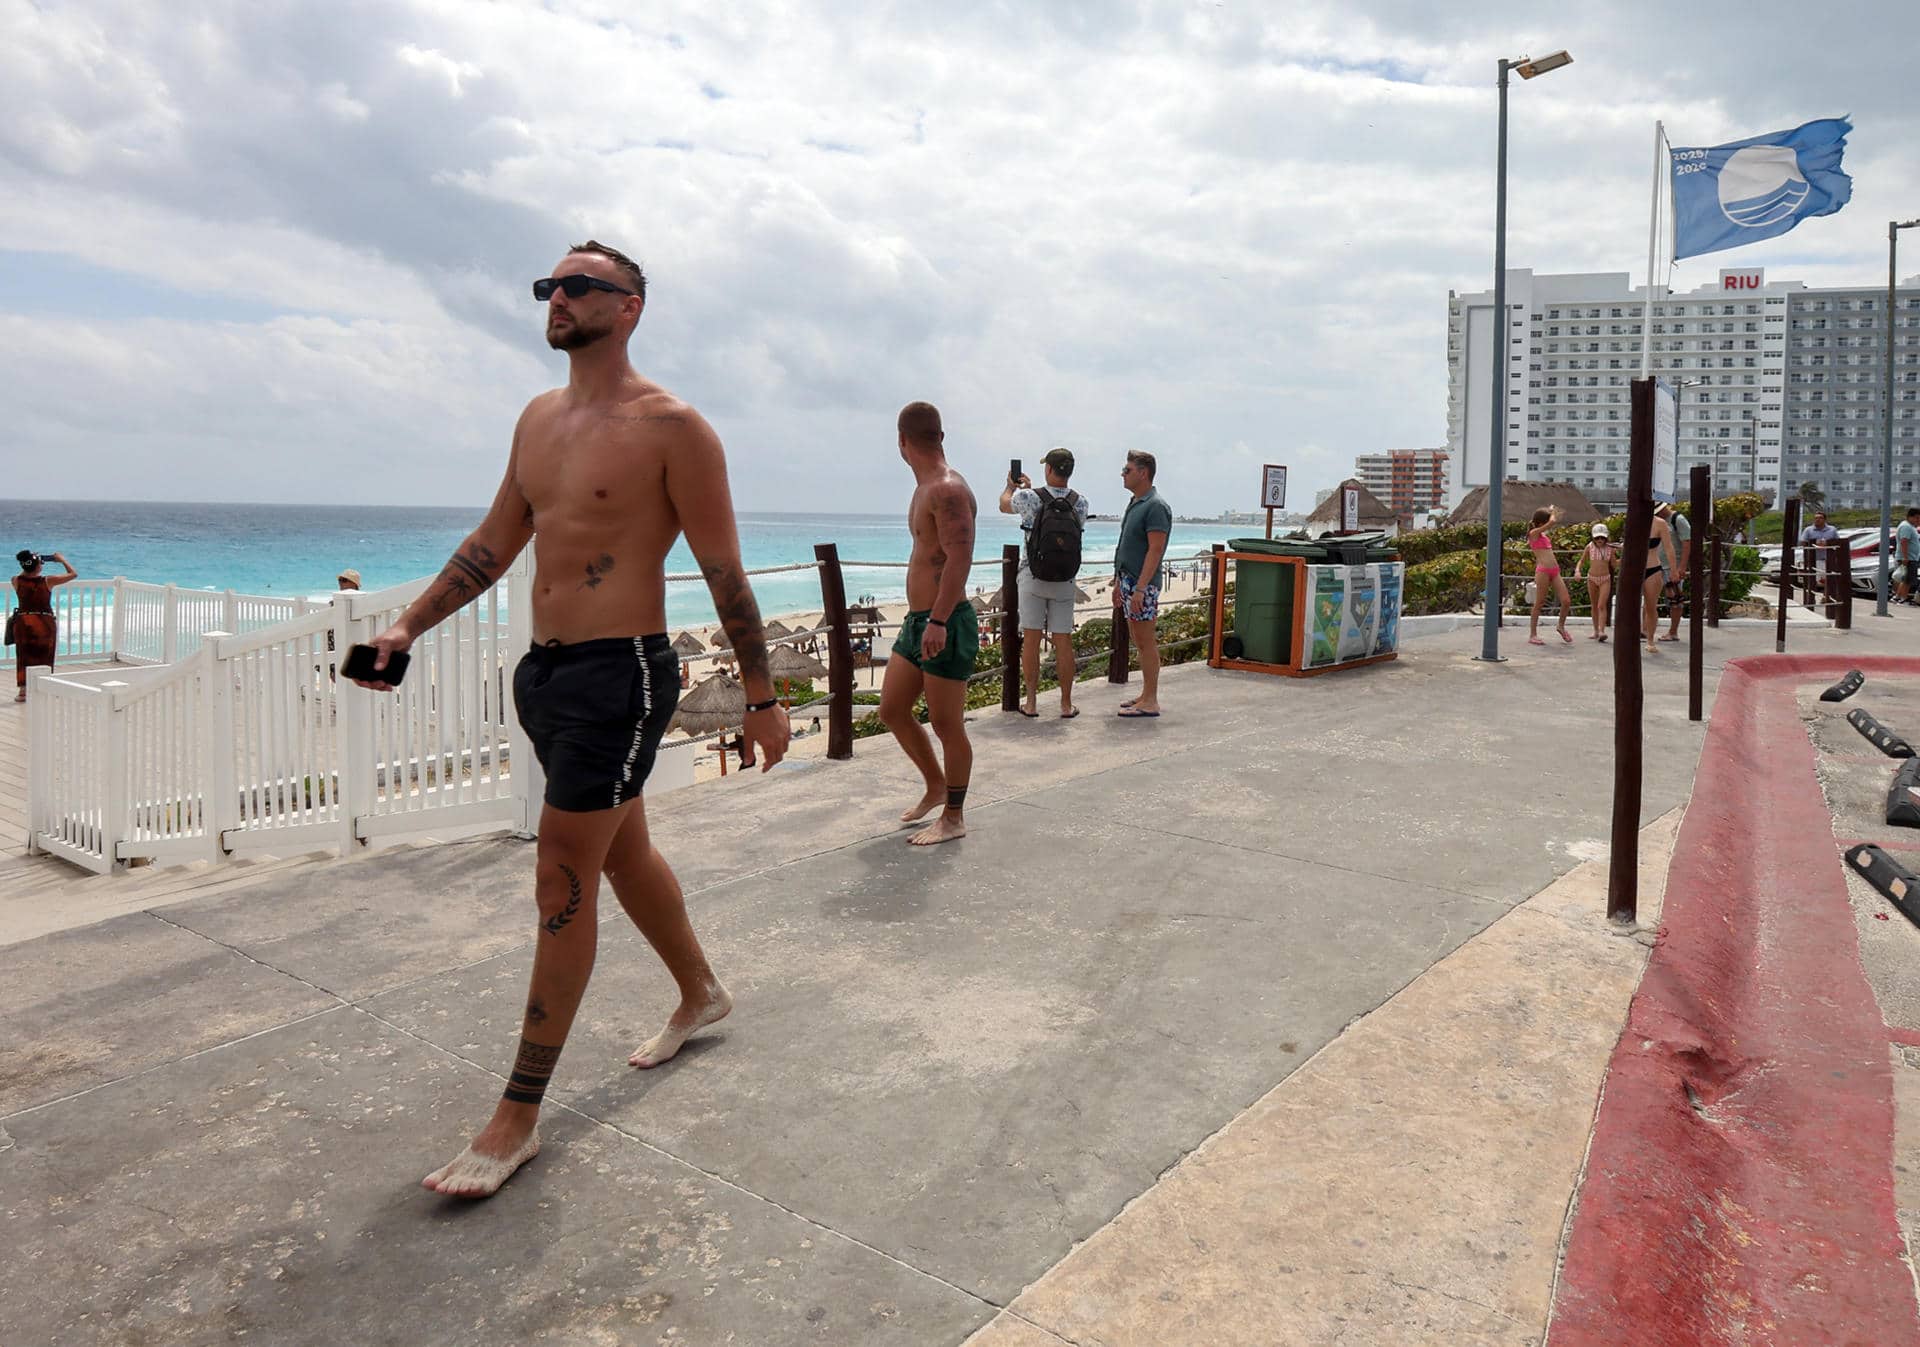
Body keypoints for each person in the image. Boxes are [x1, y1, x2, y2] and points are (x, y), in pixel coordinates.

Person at [352, 240, 789, 1199]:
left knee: (561, 870)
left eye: (582, 284)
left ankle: (516, 1115)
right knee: (620, 853)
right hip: (546, 676)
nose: (559, 297)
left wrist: (761, 698)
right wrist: (407, 624)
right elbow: (493, 542)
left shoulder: (675, 428)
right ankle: (702, 992)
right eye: (550, 284)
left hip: (622, 675)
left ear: (631, 306)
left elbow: (724, 574)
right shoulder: (537, 420)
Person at [879, 401, 977, 846]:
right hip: (919, 621)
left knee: (946, 724)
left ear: (902, 442)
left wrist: (937, 620)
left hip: (945, 620)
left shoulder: (947, 490)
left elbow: (959, 559)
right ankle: (935, 786)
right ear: (940, 436)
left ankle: (953, 817)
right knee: (893, 709)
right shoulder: (925, 489)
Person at [998, 446, 1088, 719]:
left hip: (1033, 576)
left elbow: (1004, 505)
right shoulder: (1081, 502)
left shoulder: (1028, 497)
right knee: (1063, 641)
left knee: (1032, 641)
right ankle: (1065, 704)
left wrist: (1010, 487)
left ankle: (1033, 703)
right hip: (1065, 578)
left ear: (1049, 469)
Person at [1115, 450, 1171, 718]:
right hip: (1128, 581)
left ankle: (1151, 700)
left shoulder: (1155, 506)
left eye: (1127, 470)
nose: (1123, 474)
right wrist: (1118, 582)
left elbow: (1155, 550)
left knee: (1146, 641)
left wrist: (1140, 588)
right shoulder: (1136, 502)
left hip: (1142, 584)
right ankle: (1145, 693)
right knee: (1139, 639)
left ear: (1143, 472)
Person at [10, 550, 77, 701]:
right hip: (43, 622)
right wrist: (62, 560)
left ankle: (23, 691)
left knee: (23, 655)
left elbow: (25, 573)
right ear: (38, 566)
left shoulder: (16, 580)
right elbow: (73, 574)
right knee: (45, 655)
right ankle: (45, 688)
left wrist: (31, 561)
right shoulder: (48, 581)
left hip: (23, 622)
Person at [1525, 507, 1572, 646]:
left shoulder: (1543, 536)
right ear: (1540, 524)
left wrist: (1550, 511)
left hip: (1554, 571)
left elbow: (1551, 522)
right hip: (1543, 572)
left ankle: (1561, 626)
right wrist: (1551, 513)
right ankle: (1533, 634)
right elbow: (1552, 522)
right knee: (1539, 603)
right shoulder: (1533, 533)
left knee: (1566, 601)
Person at [1641, 508, 1678, 656]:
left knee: (1651, 605)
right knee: (1628, 606)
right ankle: (1631, 637)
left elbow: (1669, 548)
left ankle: (1650, 640)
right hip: (1633, 568)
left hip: (1653, 567)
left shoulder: (1660, 523)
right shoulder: (1632, 521)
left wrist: (1674, 570)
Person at [1573, 523, 1616, 642]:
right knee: (1594, 605)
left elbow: (1614, 564)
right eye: (1597, 538)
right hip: (1591, 578)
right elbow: (1581, 561)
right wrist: (1577, 571)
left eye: (1602, 537)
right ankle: (1596, 631)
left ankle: (1602, 630)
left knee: (1601, 605)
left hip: (1605, 579)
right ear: (1593, 538)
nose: (1600, 540)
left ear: (1606, 537)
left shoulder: (1610, 548)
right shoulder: (1590, 547)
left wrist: (1625, 556)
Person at [1656, 502, 1692, 642]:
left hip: (1673, 566)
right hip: (1658, 564)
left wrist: (1681, 567)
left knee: (1675, 599)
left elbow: (1687, 543)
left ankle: (1673, 631)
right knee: (1651, 597)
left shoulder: (1678, 520)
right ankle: (1645, 629)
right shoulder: (1659, 521)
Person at [1897, 507, 1920, 605]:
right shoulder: (1906, 526)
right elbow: (1904, 541)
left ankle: (1898, 597)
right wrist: (1905, 557)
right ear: (1911, 517)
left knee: (1906, 579)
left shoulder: (1911, 527)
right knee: (1908, 580)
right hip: (1909, 557)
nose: (1918, 521)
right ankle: (1903, 598)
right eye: (1917, 518)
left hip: (1912, 557)